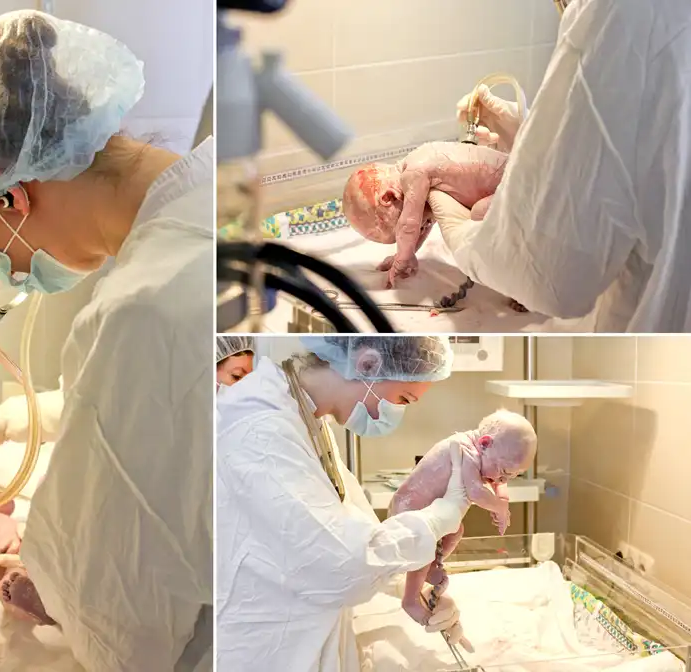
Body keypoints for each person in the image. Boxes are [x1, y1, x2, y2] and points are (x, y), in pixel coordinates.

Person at [0, 11, 213, 671]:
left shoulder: (143, 307)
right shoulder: (212, 196)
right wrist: (11, 421)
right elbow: (176, 411)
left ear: (9, 200)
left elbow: (122, 614)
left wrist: (51, 578)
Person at [428, 0, 691, 333]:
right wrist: (544, 142)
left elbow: (550, 277)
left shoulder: (616, 10)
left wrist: (459, 233)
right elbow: (656, 147)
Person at [216, 335, 472, 671]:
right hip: (268, 651)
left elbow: (351, 528)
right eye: (403, 399)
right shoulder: (262, 429)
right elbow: (343, 564)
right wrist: (440, 517)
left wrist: (409, 586)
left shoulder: (304, 415)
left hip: (302, 638)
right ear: (367, 364)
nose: (395, 414)